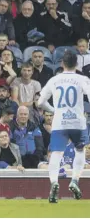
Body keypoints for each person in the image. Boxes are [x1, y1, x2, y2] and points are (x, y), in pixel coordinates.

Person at [38, 51, 90, 203]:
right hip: (78, 122)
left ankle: (54, 182)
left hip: (60, 122)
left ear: (62, 64)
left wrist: (55, 110)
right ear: (77, 64)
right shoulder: (82, 79)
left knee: (56, 153)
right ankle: (75, 180)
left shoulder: (54, 80)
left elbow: (40, 102)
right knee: (80, 150)